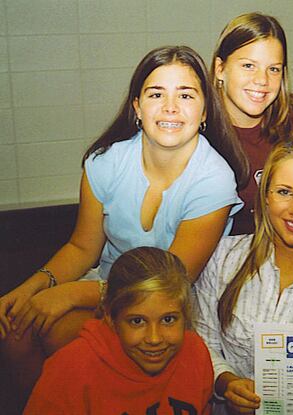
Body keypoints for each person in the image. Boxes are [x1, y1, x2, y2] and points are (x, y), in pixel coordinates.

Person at [0, 45, 243, 395]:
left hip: (170, 304)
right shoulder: (104, 163)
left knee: (57, 332)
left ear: (205, 111)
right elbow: (82, 247)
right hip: (103, 287)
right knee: (15, 326)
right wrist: (30, 289)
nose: (171, 107)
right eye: (156, 93)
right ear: (137, 108)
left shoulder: (216, 178)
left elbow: (169, 279)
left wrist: (70, 295)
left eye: (186, 95)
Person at [195, 133, 293, 414]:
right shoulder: (223, 257)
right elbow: (203, 338)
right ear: (266, 197)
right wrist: (226, 382)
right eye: (283, 192)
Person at [24, 246, 213, 415]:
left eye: (168, 319)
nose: (154, 338)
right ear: (110, 317)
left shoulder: (195, 352)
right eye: (137, 321)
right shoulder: (70, 369)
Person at [212, 12, 293, 234]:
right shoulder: (198, 133)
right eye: (249, 66)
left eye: (274, 69)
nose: (262, 80)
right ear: (220, 68)